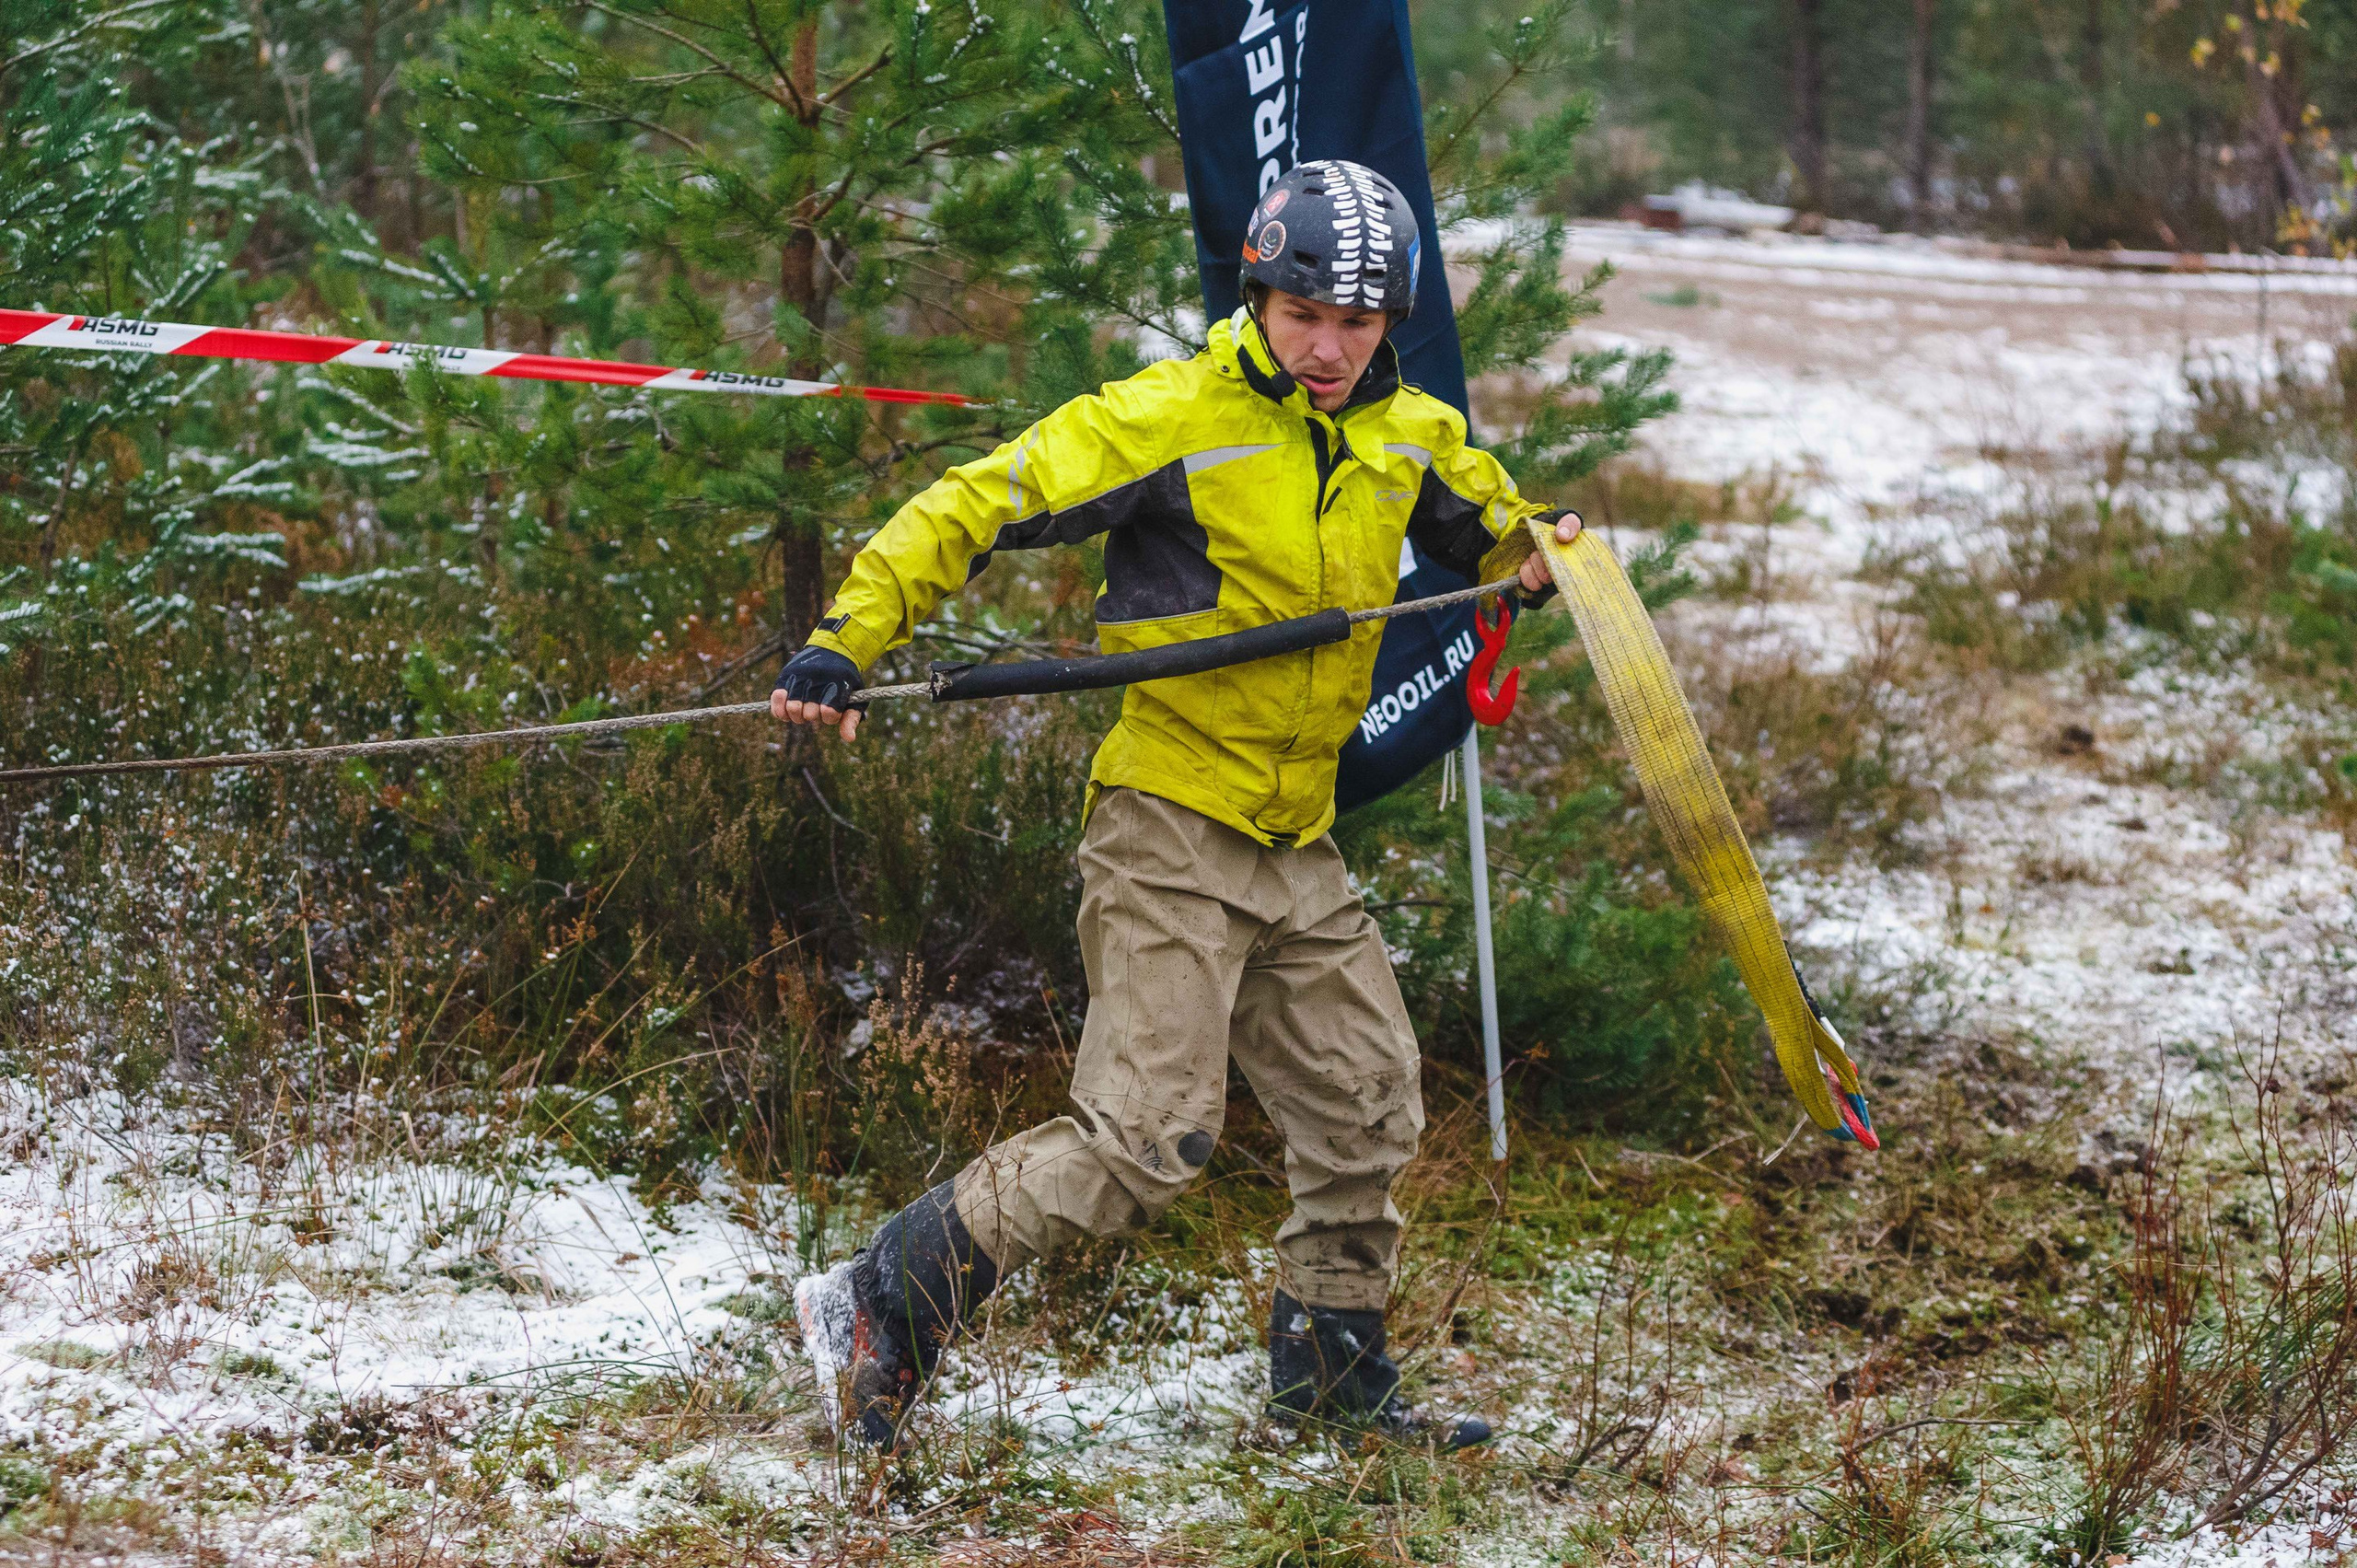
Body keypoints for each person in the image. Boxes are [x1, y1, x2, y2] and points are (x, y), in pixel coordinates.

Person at [772, 158, 1582, 1450]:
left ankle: (1327, 1379)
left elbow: (1492, 523)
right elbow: (976, 502)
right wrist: (845, 642)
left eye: (1357, 323)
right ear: (1258, 291)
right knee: (1145, 1141)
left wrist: (1537, 551)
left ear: (1393, 322)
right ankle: (883, 1300)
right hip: (1169, 820)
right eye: (1303, 314)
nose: (1326, 347)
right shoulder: (1168, 416)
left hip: (1293, 838)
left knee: (1368, 1105)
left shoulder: (1409, 433)